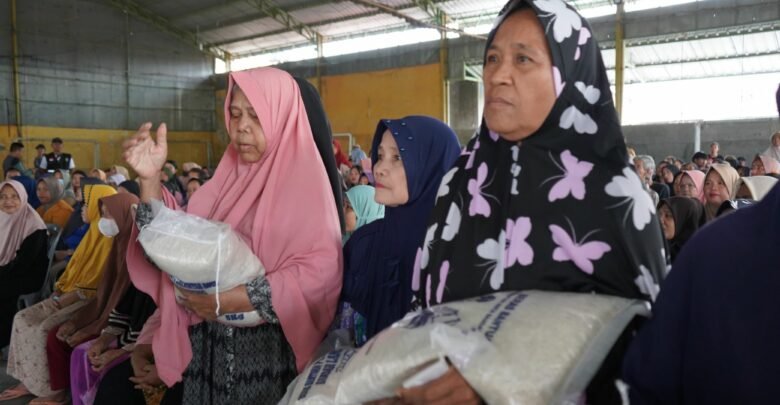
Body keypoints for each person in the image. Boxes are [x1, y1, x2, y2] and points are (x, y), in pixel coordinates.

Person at [405, 1, 667, 403]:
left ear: (569, 77)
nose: (498, 75)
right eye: (492, 58)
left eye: (523, 59)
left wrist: (501, 381)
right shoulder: (461, 183)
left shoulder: (614, 196)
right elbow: (421, 308)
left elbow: (647, 349)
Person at [122, 67, 342, 403]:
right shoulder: (224, 185)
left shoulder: (307, 190)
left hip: (267, 361)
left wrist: (234, 299)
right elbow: (175, 247)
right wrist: (150, 181)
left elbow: (320, 275)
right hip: (207, 356)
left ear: (282, 118)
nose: (241, 126)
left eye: (256, 115)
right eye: (235, 114)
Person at [622, 182, 780, 404]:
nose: (662, 220)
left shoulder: (711, 246)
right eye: (660, 214)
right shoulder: (714, 253)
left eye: (669, 215)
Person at [341, 116, 460, 343]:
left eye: (397, 157)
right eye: (380, 156)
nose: (379, 169)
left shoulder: (456, 258)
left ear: (431, 168)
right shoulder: (363, 245)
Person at [2, 184, 116, 401]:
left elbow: (94, 287)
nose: (82, 209)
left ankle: (52, 390)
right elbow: (73, 272)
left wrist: (63, 298)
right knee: (22, 318)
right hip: (66, 293)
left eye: (87, 204)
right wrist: (59, 293)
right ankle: (29, 380)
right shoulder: (92, 233)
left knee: (44, 328)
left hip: (88, 301)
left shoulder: (109, 241)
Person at [41, 193, 140, 405]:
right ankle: (64, 394)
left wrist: (95, 331)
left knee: (81, 351)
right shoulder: (118, 243)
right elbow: (105, 294)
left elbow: (126, 304)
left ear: (126, 215)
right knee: (56, 336)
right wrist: (77, 322)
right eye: (102, 214)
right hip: (108, 316)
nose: (104, 220)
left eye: (110, 215)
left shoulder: (137, 252)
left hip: (128, 327)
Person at [0, 181, 48, 355]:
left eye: (14, 197)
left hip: (27, 275)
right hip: (6, 271)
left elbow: (23, 264)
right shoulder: (2, 216)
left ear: (23, 198)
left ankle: (3, 340)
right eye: (3, 197)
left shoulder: (34, 225)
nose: (8, 201)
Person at [657, 197, 705, 263]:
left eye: (668, 215)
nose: (660, 220)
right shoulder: (656, 248)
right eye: (659, 214)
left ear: (684, 221)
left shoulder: (698, 260)